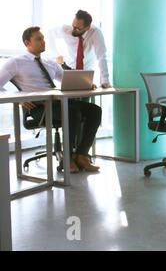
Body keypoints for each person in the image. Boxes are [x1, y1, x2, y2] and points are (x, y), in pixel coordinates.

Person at [0, 26, 102, 173]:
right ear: (27, 43)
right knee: (72, 112)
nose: (43, 41)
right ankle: (67, 159)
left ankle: (81, 155)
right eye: (38, 39)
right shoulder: (15, 62)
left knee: (94, 110)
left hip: (58, 103)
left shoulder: (50, 63)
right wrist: (18, 99)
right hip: (38, 107)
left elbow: (67, 79)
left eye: (43, 38)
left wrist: (85, 83)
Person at [47, 10, 111, 88]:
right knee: (68, 97)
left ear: (87, 27)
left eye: (78, 28)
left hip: (86, 72)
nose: (74, 29)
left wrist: (105, 80)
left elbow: (101, 56)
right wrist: (55, 54)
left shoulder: (95, 33)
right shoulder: (65, 29)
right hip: (68, 69)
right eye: (73, 26)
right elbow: (50, 33)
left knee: (85, 97)